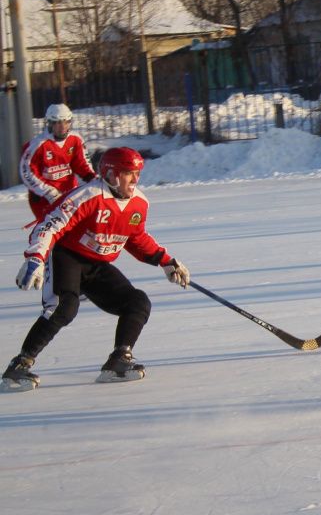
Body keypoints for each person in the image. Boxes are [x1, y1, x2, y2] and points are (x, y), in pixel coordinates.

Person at [2, 147, 191, 393]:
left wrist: (166, 261)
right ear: (111, 174)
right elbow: (49, 226)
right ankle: (20, 364)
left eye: (137, 173)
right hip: (66, 257)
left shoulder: (139, 203)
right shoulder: (88, 196)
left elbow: (135, 237)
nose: (134, 179)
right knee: (64, 307)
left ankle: (119, 360)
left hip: (97, 264)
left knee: (137, 302)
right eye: (127, 173)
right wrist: (36, 258)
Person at [20, 103, 96, 223]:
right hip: (43, 199)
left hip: (69, 196)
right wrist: (49, 193)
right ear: (50, 124)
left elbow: (82, 164)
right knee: (54, 234)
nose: (62, 127)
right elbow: (27, 173)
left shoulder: (75, 139)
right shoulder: (38, 144)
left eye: (66, 122)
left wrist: (93, 179)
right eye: (57, 123)